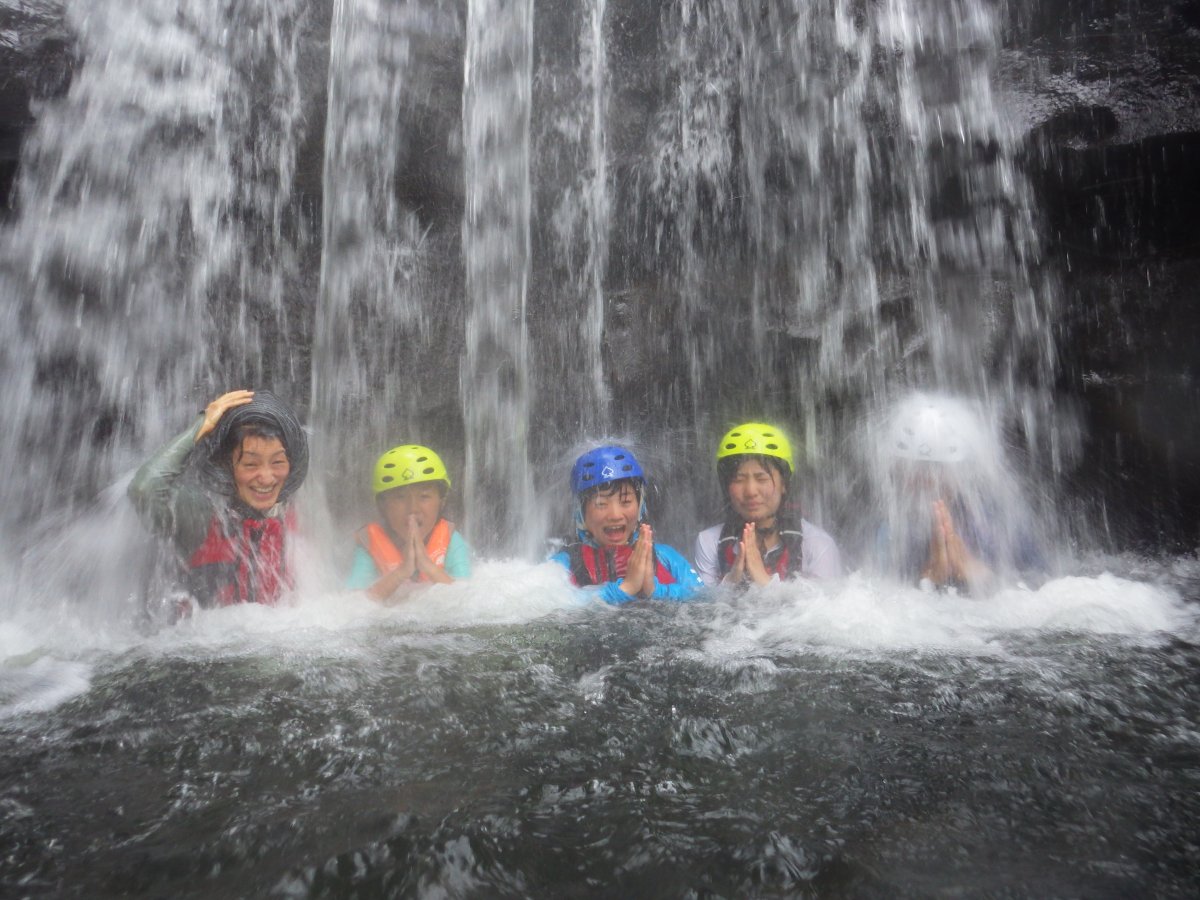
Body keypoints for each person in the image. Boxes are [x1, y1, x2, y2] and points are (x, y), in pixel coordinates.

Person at [128, 389, 308, 609]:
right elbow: (145, 489)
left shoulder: (291, 512)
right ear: (227, 466)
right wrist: (200, 426)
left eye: (278, 463)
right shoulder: (200, 512)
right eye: (251, 464)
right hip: (197, 638)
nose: (267, 478)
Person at [875, 393, 1043, 594]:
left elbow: (1046, 588)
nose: (926, 479)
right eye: (915, 468)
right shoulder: (892, 531)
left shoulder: (999, 523)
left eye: (937, 468)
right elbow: (880, 599)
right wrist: (928, 578)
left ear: (963, 471)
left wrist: (979, 575)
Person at [694, 422, 842, 586]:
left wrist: (763, 580)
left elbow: (825, 608)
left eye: (762, 478)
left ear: (784, 484)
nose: (750, 491)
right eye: (739, 479)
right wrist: (731, 580)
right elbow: (703, 606)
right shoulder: (710, 542)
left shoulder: (817, 544)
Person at [550, 446, 702, 603]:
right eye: (601, 504)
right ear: (581, 514)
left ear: (640, 506)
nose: (615, 515)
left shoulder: (665, 557)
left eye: (626, 502)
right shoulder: (564, 564)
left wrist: (655, 590)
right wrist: (625, 589)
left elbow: (705, 598)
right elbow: (542, 603)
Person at [345, 444, 471, 602]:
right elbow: (352, 605)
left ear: (441, 501)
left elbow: (467, 601)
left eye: (424, 496)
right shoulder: (369, 543)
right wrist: (401, 572)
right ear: (382, 506)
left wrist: (428, 566)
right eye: (400, 497)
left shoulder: (452, 540)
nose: (413, 508)